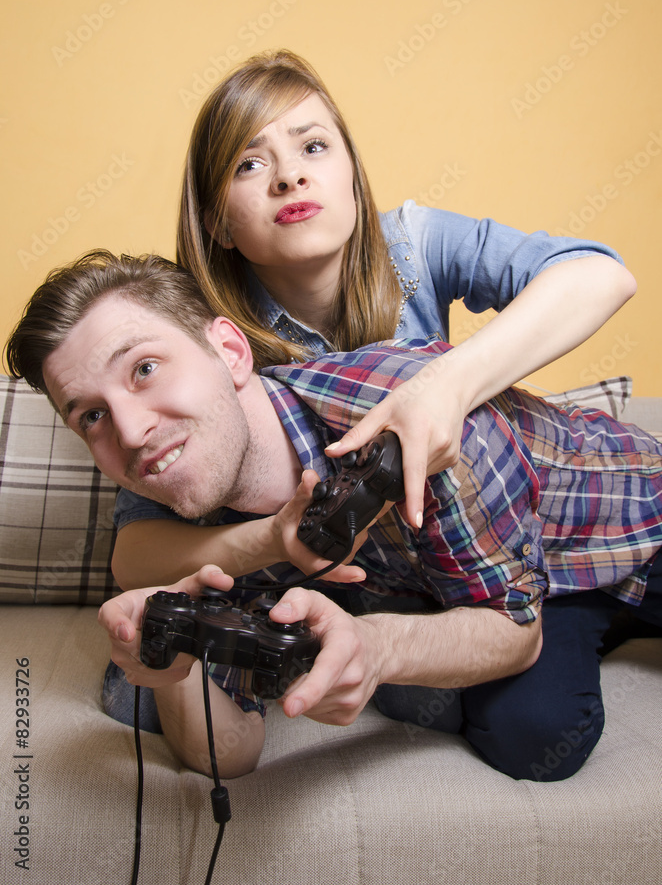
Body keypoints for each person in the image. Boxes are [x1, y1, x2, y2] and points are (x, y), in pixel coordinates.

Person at [5, 250, 661, 784]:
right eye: (90, 414)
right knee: (531, 734)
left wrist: (380, 648)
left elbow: (514, 635)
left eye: (145, 369)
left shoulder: (416, 423)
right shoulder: (214, 530)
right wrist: (177, 664)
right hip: (532, 581)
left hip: (635, 523)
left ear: (230, 352)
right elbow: (229, 755)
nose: (131, 429)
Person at [111, 49, 637, 592]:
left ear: (354, 181)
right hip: (417, 583)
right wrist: (276, 538)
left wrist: (443, 388)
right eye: (249, 164)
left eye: (313, 147)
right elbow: (132, 555)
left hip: (545, 509)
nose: (290, 176)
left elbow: (599, 275)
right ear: (218, 223)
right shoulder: (200, 336)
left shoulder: (412, 242)